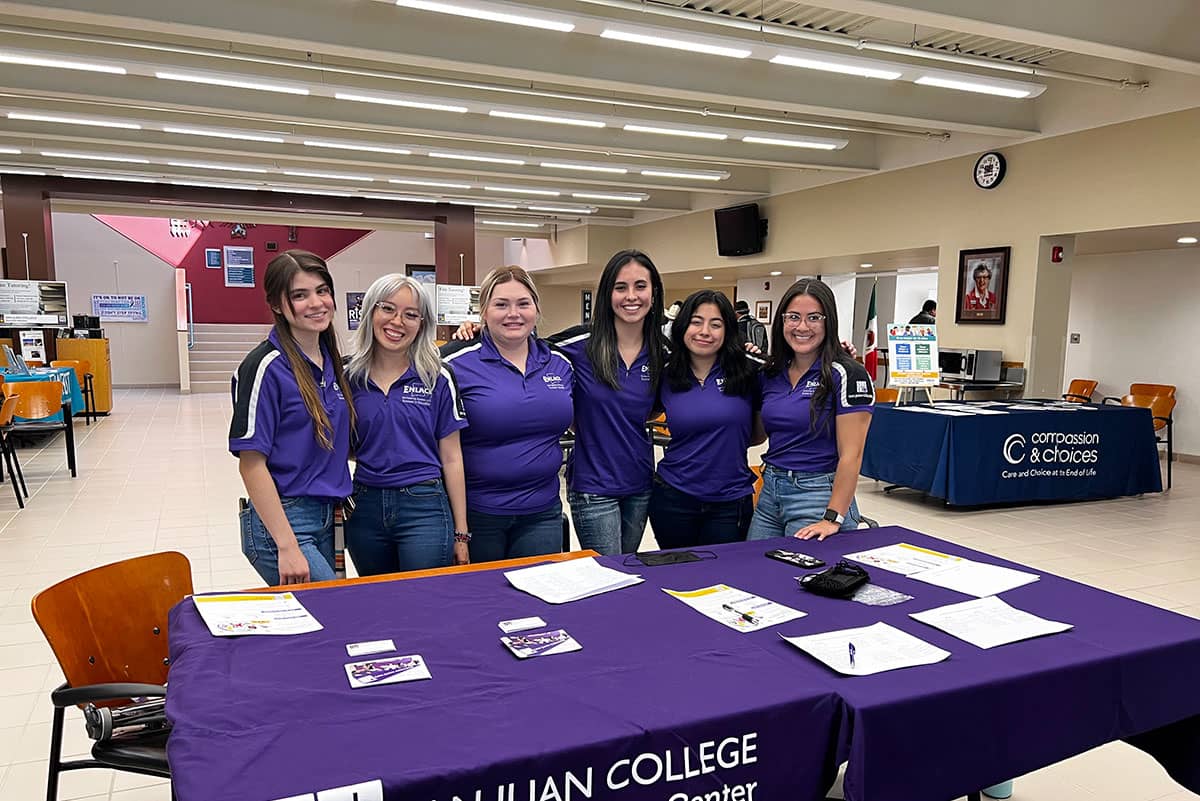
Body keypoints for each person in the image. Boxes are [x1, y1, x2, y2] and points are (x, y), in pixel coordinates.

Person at [454, 250, 667, 557]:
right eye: (621, 287)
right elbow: (520, 338)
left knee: (629, 570)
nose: (630, 296)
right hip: (592, 484)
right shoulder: (573, 348)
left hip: (639, 481)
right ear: (607, 293)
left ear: (654, 292)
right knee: (608, 572)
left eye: (640, 286)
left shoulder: (664, 351)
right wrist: (477, 331)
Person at [230, 250, 356, 585]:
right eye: (300, 295)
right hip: (285, 522)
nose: (316, 303)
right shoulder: (265, 367)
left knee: (320, 626)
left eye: (322, 290)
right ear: (275, 304)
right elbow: (251, 463)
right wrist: (286, 546)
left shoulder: (332, 363)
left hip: (328, 514)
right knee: (332, 614)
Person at [441, 266, 574, 562]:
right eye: (501, 304)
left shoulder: (561, 364)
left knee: (540, 596)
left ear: (536, 310)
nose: (513, 313)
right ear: (483, 312)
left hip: (542, 512)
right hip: (479, 514)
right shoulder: (454, 363)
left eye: (523, 303)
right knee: (485, 602)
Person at [343, 274, 470, 576]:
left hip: (424, 506)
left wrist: (461, 533)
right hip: (365, 505)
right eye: (387, 309)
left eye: (411, 314)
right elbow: (342, 446)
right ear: (371, 312)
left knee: (425, 603)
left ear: (422, 324)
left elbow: (452, 458)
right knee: (378, 602)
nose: (397, 322)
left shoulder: (437, 377)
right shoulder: (348, 378)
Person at [747, 278, 874, 542]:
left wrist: (833, 517)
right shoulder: (770, 373)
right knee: (756, 574)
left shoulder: (846, 373)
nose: (802, 327)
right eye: (793, 317)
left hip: (817, 494)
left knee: (801, 579)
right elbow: (758, 434)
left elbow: (852, 455)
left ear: (828, 322)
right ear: (782, 321)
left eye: (814, 317)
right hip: (770, 490)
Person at [649, 291, 764, 548]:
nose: (705, 331)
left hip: (730, 501)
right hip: (673, 498)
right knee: (678, 579)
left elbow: (757, 435)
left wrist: (842, 354)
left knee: (725, 581)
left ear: (728, 330)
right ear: (682, 326)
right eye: (696, 321)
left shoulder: (749, 370)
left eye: (716, 324)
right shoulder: (666, 373)